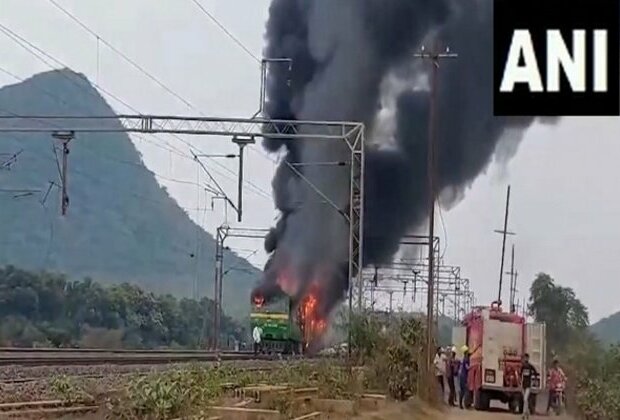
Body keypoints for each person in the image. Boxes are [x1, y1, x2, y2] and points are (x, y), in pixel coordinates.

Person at [519, 353, 539, 418]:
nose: (525, 359)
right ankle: (527, 412)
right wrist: (519, 382)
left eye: (526, 358)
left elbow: (536, 373)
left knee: (525, 399)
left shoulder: (530, 366)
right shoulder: (523, 366)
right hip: (523, 385)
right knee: (525, 400)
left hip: (528, 385)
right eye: (525, 358)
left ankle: (523, 413)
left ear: (528, 358)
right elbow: (520, 375)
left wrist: (534, 380)